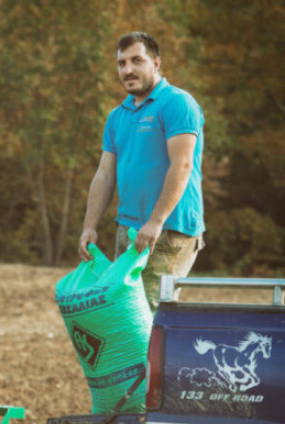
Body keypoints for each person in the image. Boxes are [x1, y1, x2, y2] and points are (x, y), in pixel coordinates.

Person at [78, 32, 205, 310]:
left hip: (169, 231)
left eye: (137, 60)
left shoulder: (177, 103)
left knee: (147, 319)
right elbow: (105, 175)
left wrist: (156, 221)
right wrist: (89, 226)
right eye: (122, 63)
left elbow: (182, 165)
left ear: (156, 63)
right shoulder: (117, 116)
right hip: (128, 229)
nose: (128, 69)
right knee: (124, 316)